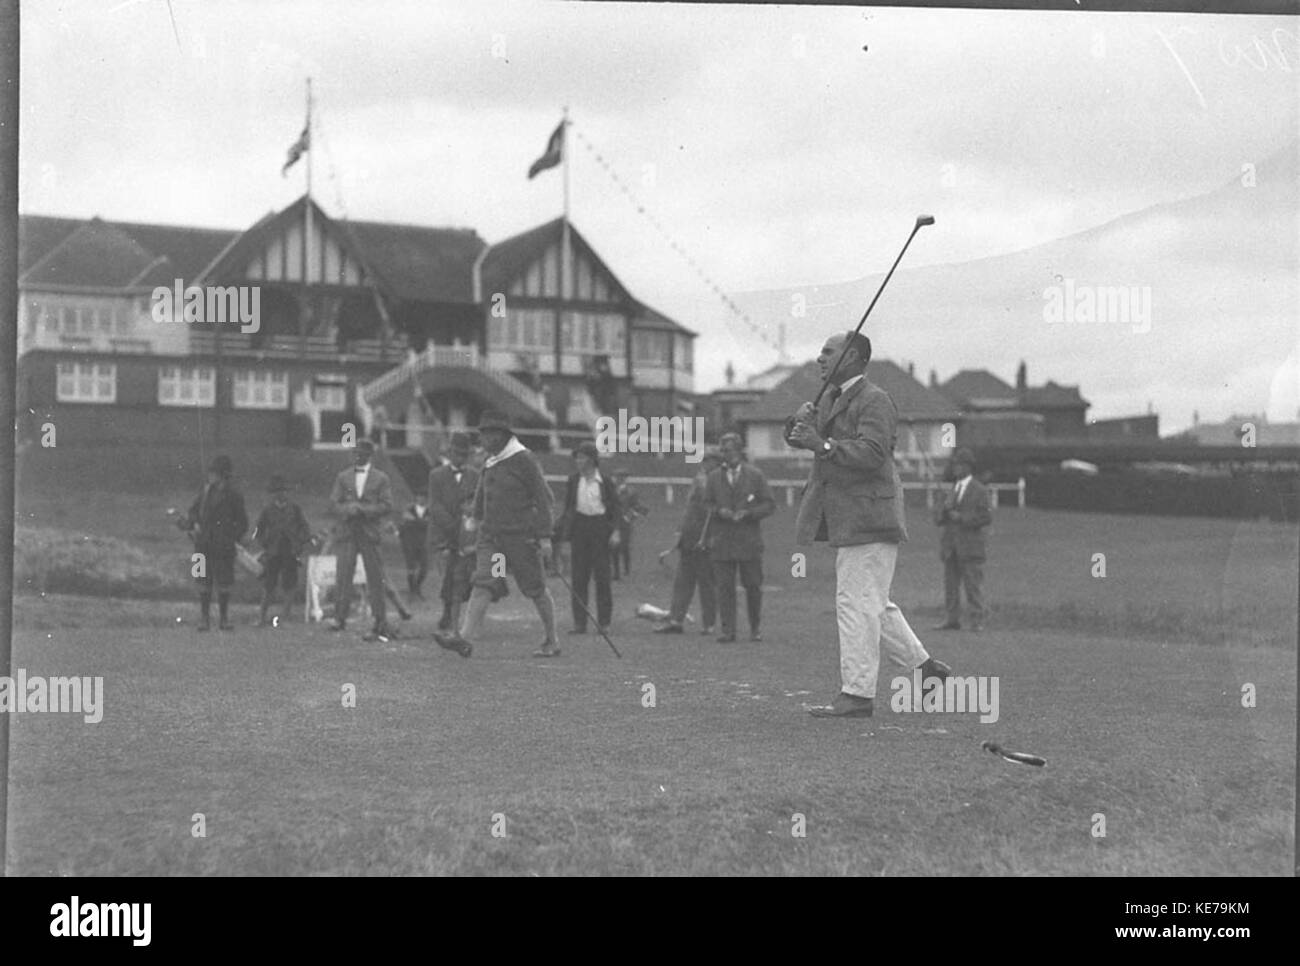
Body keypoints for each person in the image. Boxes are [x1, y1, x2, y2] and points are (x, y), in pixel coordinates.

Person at [786, 332, 951, 718]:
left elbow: (874, 454)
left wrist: (821, 444)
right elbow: (805, 440)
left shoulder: (875, 400)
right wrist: (799, 425)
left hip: (870, 516)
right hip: (851, 518)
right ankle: (927, 671)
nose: (819, 358)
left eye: (828, 352)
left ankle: (858, 694)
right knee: (873, 602)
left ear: (852, 357)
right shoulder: (830, 398)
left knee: (856, 603)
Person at [433, 411, 561, 658]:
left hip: (520, 540)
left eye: (489, 434)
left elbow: (545, 498)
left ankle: (552, 640)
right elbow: (484, 490)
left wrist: (544, 536)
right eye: (482, 434)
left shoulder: (523, 459)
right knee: (484, 583)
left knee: (535, 588)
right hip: (492, 539)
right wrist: (475, 516)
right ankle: (463, 638)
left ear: (502, 436)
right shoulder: (491, 461)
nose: (483, 439)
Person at [703, 433, 775, 643]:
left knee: (753, 586)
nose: (729, 455)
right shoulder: (714, 477)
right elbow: (707, 503)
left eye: (732, 450)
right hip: (722, 541)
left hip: (748, 541)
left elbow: (769, 504)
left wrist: (750, 513)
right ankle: (728, 630)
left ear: (740, 451)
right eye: (724, 451)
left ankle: (755, 628)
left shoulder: (755, 475)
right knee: (724, 588)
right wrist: (720, 512)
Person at [327, 439, 397, 641]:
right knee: (343, 576)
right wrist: (348, 509)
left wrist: (364, 510)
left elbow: (387, 505)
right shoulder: (343, 477)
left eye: (361, 454)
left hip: (369, 532)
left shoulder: (381, 478)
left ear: (369, 456)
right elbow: (333, 503)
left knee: (375, 577)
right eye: (355, 453)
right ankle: (339, 618)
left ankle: (379, 620)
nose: (357, 457)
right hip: (348, 532)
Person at [554, 441, 621, 635]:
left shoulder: (605, 482)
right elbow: (568, 508)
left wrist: (615, 531)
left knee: (602, 577)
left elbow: (615, 508)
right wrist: (563, 533)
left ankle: (604, 622)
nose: (578, 461)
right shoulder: (573, 480)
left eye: (582, 458)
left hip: (600, 528)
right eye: (577, 458)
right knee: (579, 578)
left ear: (592, 460)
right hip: (580, 528)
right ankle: (580, 623)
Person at [654, 449, 721, 635]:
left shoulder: (717, 483)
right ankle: (676, 620)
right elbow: (688, 510)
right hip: (688, 539)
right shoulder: (698, 481)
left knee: (707, 584)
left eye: (710, 461)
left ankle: (709, 624)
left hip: (705, 541)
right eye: (704, 461)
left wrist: (708, 538)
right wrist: (679, 533)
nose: (705, 464)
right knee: (682, 581)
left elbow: (712, 514)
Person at [182, 454, 248, 632]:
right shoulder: (205, 492)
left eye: (214, 473)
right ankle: (204, 618)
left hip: (223, 547)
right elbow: (193, 512)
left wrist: (230, 538)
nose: (210, 476)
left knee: (224, 582)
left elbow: (242, 523)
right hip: (202, 545)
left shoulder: (234, 496)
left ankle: (224, 618)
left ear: (223, 475)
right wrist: (193, 524)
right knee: (202, 581)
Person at [932, 447, 992, 632]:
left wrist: (962, 518)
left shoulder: (980, 490)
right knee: (951, 587)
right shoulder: (952, 490)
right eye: (955, 464)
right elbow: (938, 520)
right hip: (951, 547)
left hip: (971, 547)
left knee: (973, 586)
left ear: (968, 467)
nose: (956, 468)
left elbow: (986, 518)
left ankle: (977, 621)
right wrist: (942, 507)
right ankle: (952, 620)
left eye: (959, 464)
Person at [427, 431, 480, 630]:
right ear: (449, 452)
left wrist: (468, 525)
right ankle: (447, 612)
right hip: (446, 534)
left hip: (468, 535)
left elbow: (477, 502)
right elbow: (435, 505)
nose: (460, 458)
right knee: (450, 574)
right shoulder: (437, 475)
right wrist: (451, 526)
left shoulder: (475, 475)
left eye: (464, 454)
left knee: (469, 575)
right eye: (457, 453)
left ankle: (468, 616)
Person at [252, 474, 312, 627]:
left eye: (284, 490)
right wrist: (264, 544)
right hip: (273, 551)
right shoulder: (267, 510)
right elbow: (258, 530)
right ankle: (262, 617)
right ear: (273, 493)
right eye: (278, 491)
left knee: (289, 585)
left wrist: (300, 543)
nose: (281, 494)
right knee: (268, 585)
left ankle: (286, 617)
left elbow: (305, 528)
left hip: (290, 551)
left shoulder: (295, 509)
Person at [610, 469, 647, 580]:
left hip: (625, 524)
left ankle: (626, 570)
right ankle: (616, 573)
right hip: (613, 523)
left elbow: (636, 506)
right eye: (617, 477)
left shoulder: (631, 492)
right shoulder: (611, 490)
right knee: (613, 548)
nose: (619, 479)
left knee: (624, 547)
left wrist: (629, 518)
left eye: (622, 477)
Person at [398, 492, 430, 599]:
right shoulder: (409, 509)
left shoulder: (429, 511)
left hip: (423, 543)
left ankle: (417, 587)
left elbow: (428, 524)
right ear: (416, 497)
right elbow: (404, 525)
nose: (421, 498)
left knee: (424, 568)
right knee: (411, 567)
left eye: (424, 497)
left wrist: (414, 520)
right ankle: (412, 590)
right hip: (410, 542)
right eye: (420, 496)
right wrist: (419, 522)